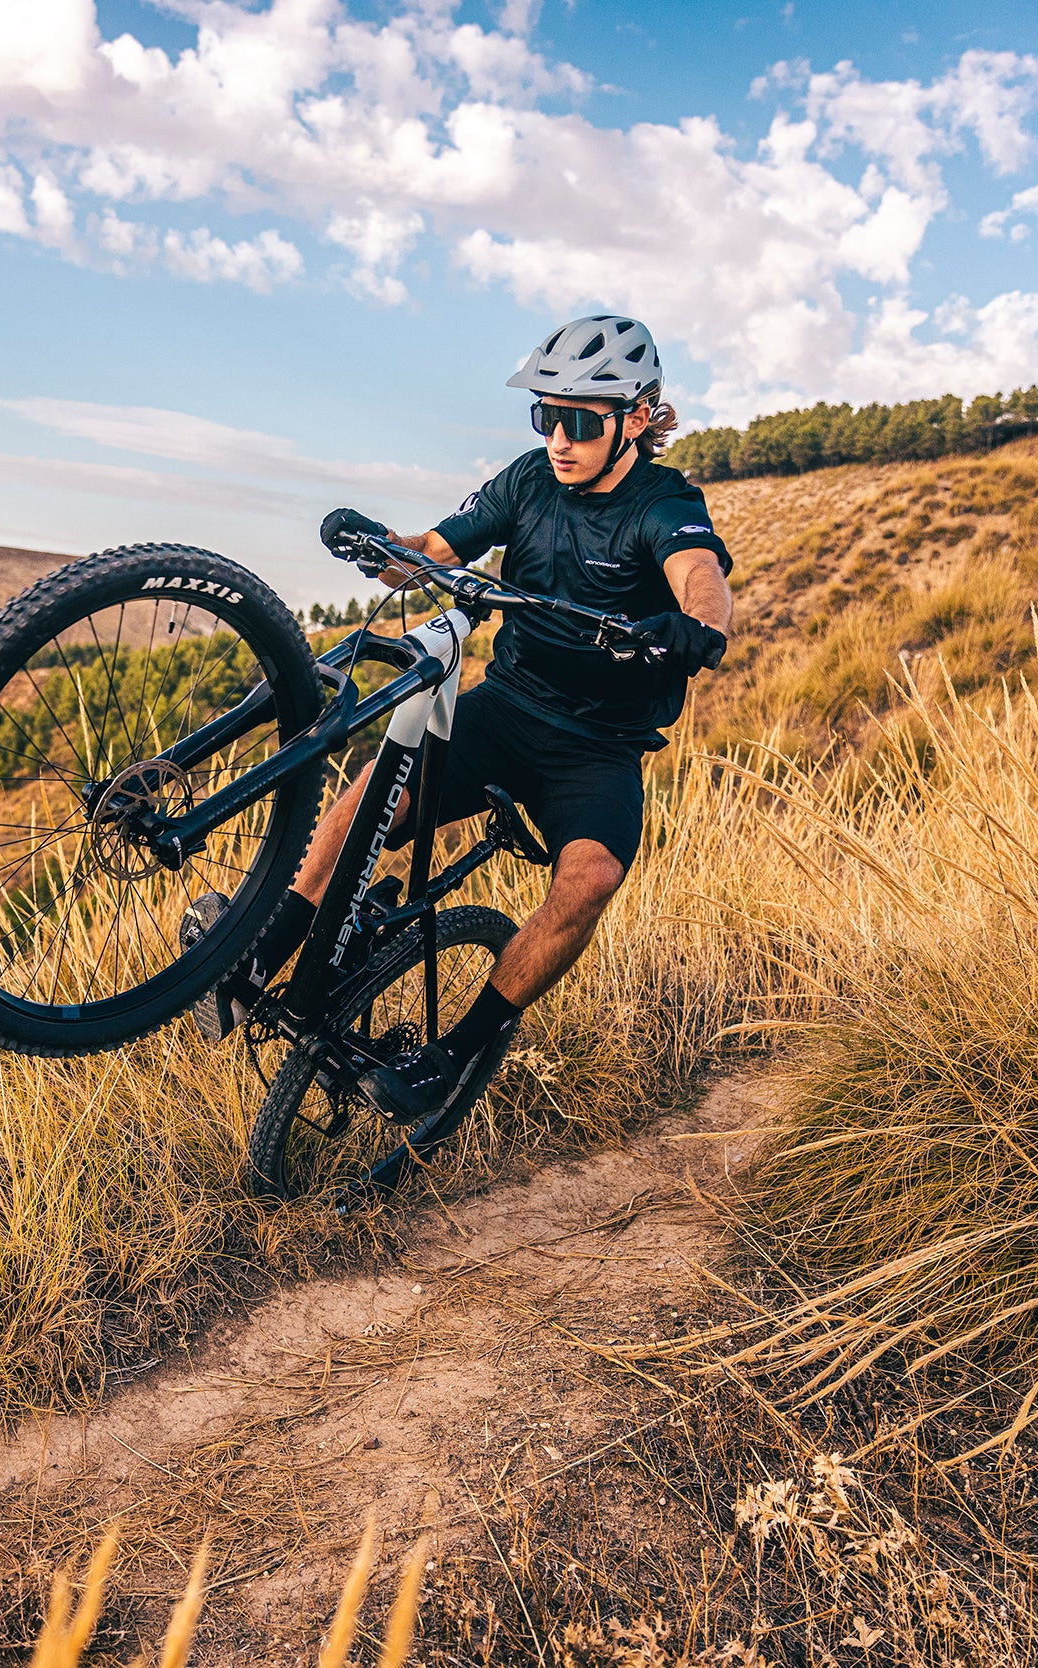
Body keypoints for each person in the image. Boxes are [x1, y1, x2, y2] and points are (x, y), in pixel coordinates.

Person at [187, 313, 735, 1171]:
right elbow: (436, 552)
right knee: (368, 793)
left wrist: (693, 628)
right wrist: (378, 549)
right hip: (504, 710)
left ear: (634, 418)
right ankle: (257, 959)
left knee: (591, 876)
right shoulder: (527, 481)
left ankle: (461, 1052)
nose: (558, 438)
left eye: (581, 421)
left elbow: (700, 580)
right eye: (545, 417)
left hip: (597, 749)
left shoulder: (664, 505)